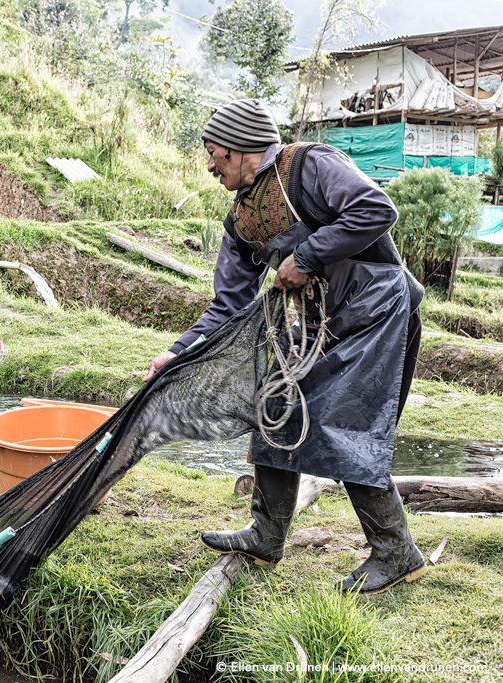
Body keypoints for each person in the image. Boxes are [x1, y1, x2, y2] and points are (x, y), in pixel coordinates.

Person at [144, 99, 428, 594]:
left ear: (237, 150)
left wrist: (308, 256)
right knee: (276, 402)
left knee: (344, 421)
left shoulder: (310, 165)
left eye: (213, 153)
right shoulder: (242, 221)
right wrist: (180, 350)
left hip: (378, 305)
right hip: (325, 319)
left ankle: (395, 552)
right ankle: (266, 533)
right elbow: (228, 304)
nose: (209, 165)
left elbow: (378, 210)